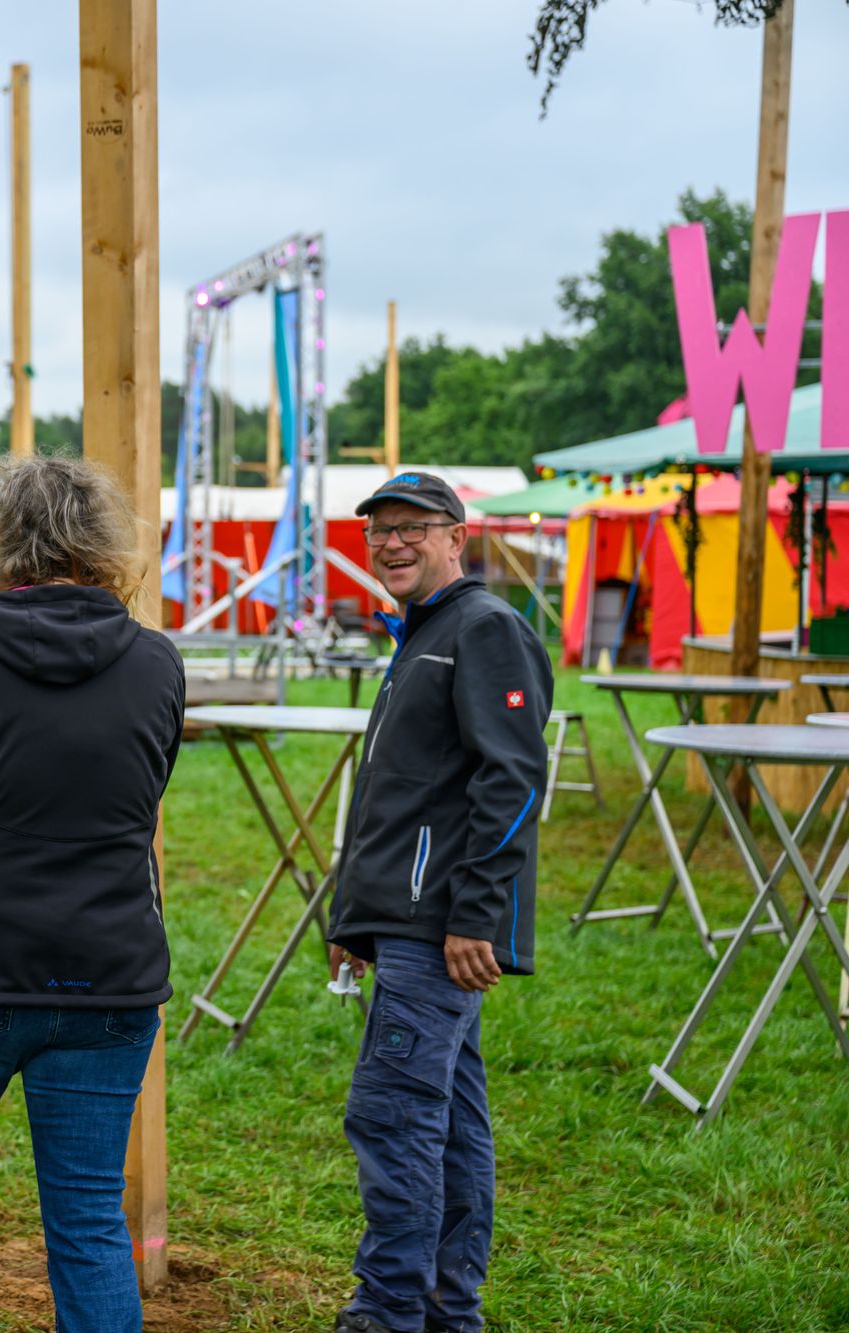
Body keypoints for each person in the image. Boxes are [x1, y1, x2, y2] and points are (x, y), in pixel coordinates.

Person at [0, 453, 187, 1333]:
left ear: (4, 540)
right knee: (90, 1213)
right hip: (112, 970)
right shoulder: (157, 660)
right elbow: (149, 785)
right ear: (105, 542)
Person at [326, 473, 552, 1333]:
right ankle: (446, 1310)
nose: (391, 543)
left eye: (411, 527)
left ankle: (390, 1311)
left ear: (457, 536)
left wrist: (472, 914)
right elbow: (401, 794)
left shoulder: (484, 628)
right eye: (378, 530)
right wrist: (355, 920)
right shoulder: (425, 631)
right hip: (409, 920)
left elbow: (513, 779)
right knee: (447, 1123)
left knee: (392, 1115)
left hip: (441, 925)